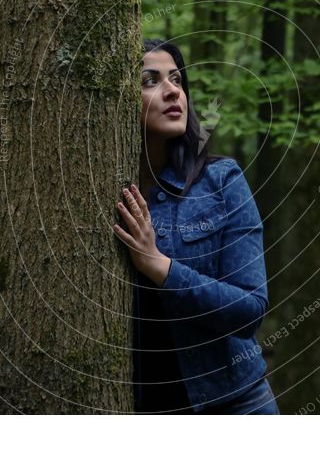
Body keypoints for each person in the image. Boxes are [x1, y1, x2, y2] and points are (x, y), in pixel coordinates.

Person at [112, 38, 279, 415]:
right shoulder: (97, 192)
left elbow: (250, 309)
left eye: (176, 79)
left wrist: (160, 266)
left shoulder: (222, 182)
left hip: (234, 405)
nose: (173, 91)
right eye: (149, 81)